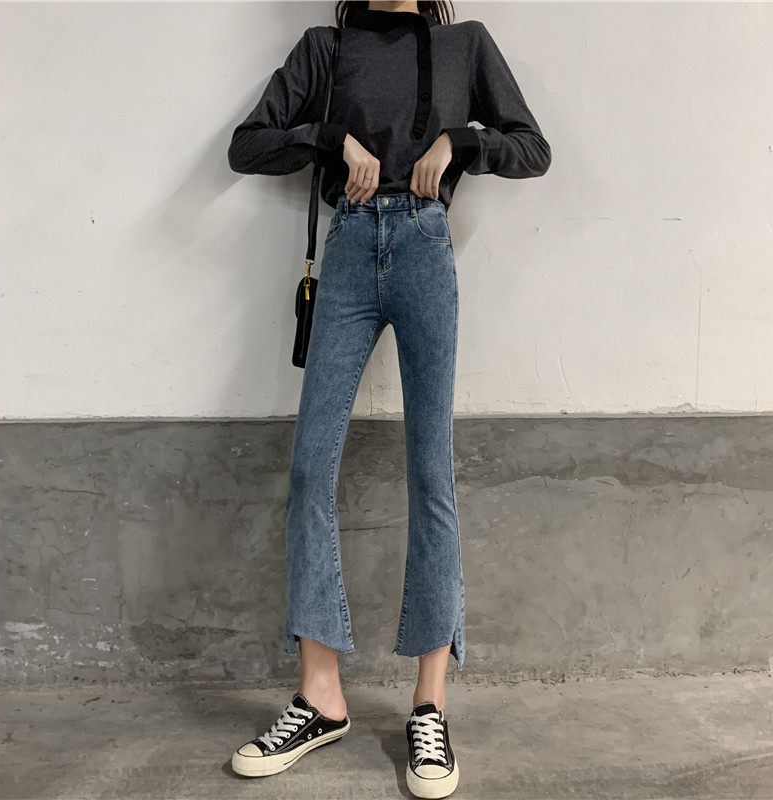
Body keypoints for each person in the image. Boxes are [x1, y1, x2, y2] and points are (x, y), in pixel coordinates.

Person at [226, 1, 551, 796]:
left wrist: (460, 140)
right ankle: (321, 695)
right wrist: (329, 138)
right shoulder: (325, 47)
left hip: (426, 248)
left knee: (431, 474)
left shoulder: (465, 46)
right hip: (348, 248)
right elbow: (248, 144)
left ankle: (429, 704)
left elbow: (532, 148)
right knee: (311, 469)